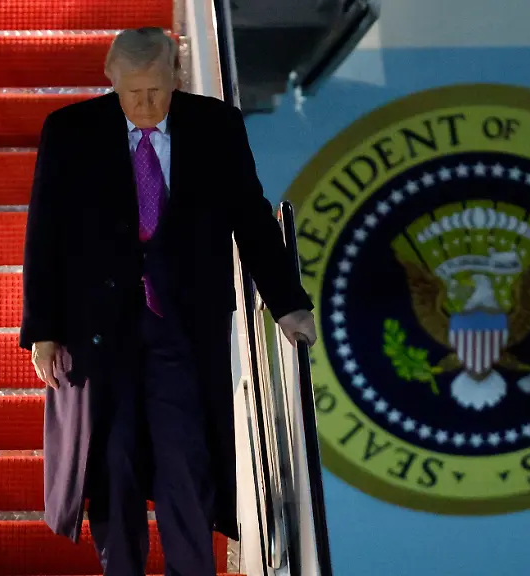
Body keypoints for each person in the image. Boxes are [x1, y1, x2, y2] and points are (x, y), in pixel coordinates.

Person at [19, 27, 316, 576]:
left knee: (187, 464)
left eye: (156, 90)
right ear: (111, 82)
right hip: (98, 337)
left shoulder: (215, 128)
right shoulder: (70, 131)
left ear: (176, 77)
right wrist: (42, 329)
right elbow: (45, 235)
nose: (146, 104)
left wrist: (288, 304)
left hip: (182, 330)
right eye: (133, 93)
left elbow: (252, 220)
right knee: (114, 468)